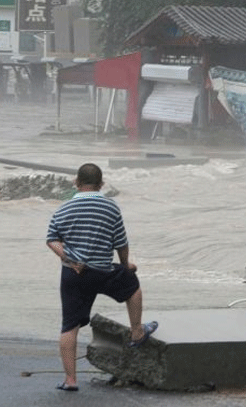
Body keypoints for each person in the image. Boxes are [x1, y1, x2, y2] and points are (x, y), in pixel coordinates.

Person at [46, 163, 158, 392]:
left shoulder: (63, 209)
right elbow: (121, 243)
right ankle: (137, 331)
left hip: (74, 274)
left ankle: (70, 381)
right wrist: (126, 265)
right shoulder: (110, 208)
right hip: (103, 271)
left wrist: (69, 258)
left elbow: (51, 239)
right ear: (101, 184)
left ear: (77, 182)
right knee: (133, 286)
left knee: (69, 326)